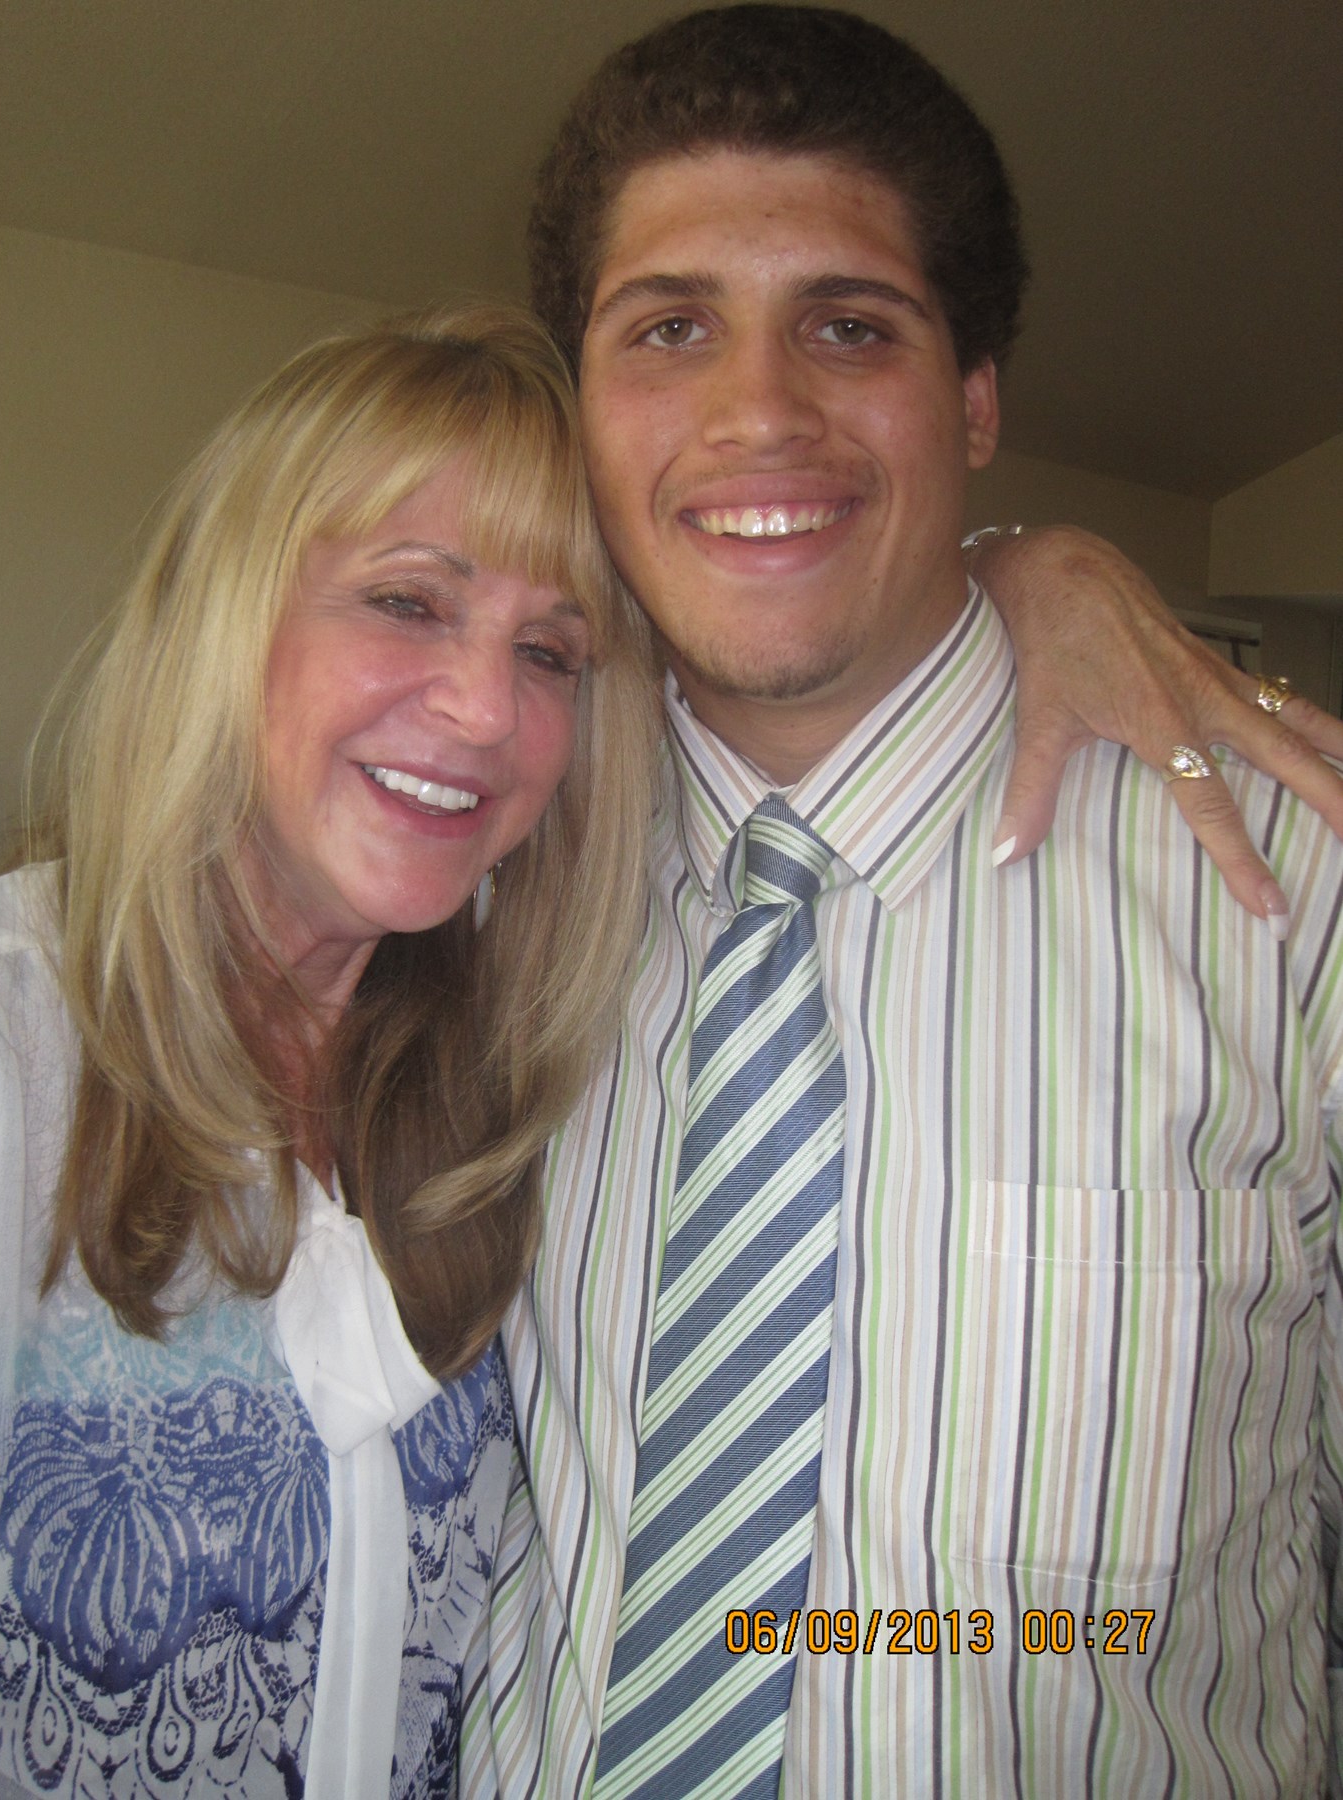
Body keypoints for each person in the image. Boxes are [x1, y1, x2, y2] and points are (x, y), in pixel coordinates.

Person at [464, 10, 1343, 1796]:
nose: (758, 411)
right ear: (582, 408)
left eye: (849, 325)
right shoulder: (474, 877)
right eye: (669, 328)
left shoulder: (1297, 887)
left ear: (975, 403)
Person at [0, 304, 659, 1799]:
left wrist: (1018, 572)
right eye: (408, 601)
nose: (485, 709)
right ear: (220, 611)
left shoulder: (520, 1088)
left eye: (550, 651)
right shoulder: (21, 1046)